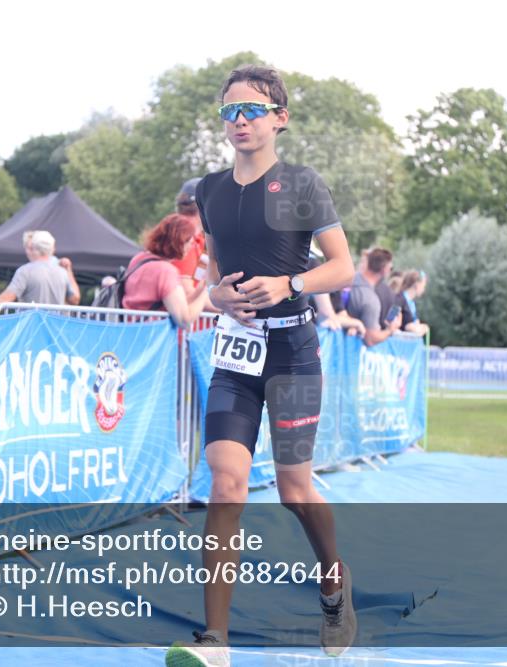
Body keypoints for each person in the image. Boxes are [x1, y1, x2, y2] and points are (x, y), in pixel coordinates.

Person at [165, 64, 356, 667]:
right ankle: (215, 642)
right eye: (229, 112)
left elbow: (343, 268)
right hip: (235, 353)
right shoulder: (209, 191)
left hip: (294, 352)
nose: (240, 121)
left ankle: (333, 580)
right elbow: (216, 275)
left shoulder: (303, 183)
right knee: (225, 485)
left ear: (280, 118)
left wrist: (290, 283)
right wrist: (217, 296)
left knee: (296, 491)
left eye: (251, 110)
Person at [122, 213, 209, 328]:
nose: (190, 247)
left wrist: (200, 289)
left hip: (130, 333)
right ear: (179, 243)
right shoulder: (166, 271)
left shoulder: (139, 259)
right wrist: (205, 293)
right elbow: (184, 320)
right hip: (152, 338)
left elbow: (174, 302)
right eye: (188, 242)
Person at [0, 230, 79, 314]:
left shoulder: (25, 271)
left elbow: (6, 298)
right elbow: (75, 299)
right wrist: (69, 270)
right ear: (52, 249)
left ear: (33, 247)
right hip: (55, 330)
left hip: (32, 330)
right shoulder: (63, 271)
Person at [346, 246, 403, 347]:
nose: (390, 271)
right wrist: (390, 330)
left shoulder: (347, 278)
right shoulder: (370, 300)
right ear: (384, 269)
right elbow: (370, 339)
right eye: (391, 268)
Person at [398, 270, 430, 336]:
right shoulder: (399, 300)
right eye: (423, 286)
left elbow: (416, 324)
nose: (424, 289)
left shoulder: (412, 303)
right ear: (417, 285)